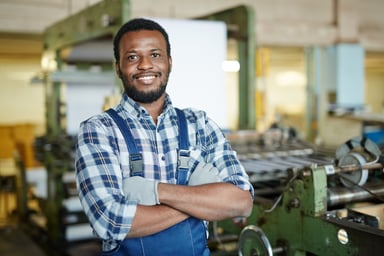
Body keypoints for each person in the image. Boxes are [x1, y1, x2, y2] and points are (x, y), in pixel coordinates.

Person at [75, 17, 254, 256]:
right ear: (118, 67)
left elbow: (241, 201)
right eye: (132, 57)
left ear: (169, 63)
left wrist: (155, 191)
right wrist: (202, 200)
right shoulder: (98, 131)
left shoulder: (199, 124)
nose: (145, 65)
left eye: (155, 55)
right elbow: (109, 221)